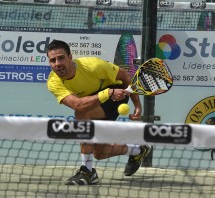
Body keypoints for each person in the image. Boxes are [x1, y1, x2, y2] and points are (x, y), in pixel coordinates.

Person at [46, 40, 151, 185]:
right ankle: (138, 149)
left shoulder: (93, 65)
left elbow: (125, 77)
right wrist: (107, 93)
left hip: (116, 97)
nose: (57, 63)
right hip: (99, 99)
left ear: (70, 57)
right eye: (52, 60)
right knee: (99, 152)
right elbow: (77, 103)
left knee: (81, 114)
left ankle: (87, 172)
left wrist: (138, 107)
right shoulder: (53, 82)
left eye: (61, 58)